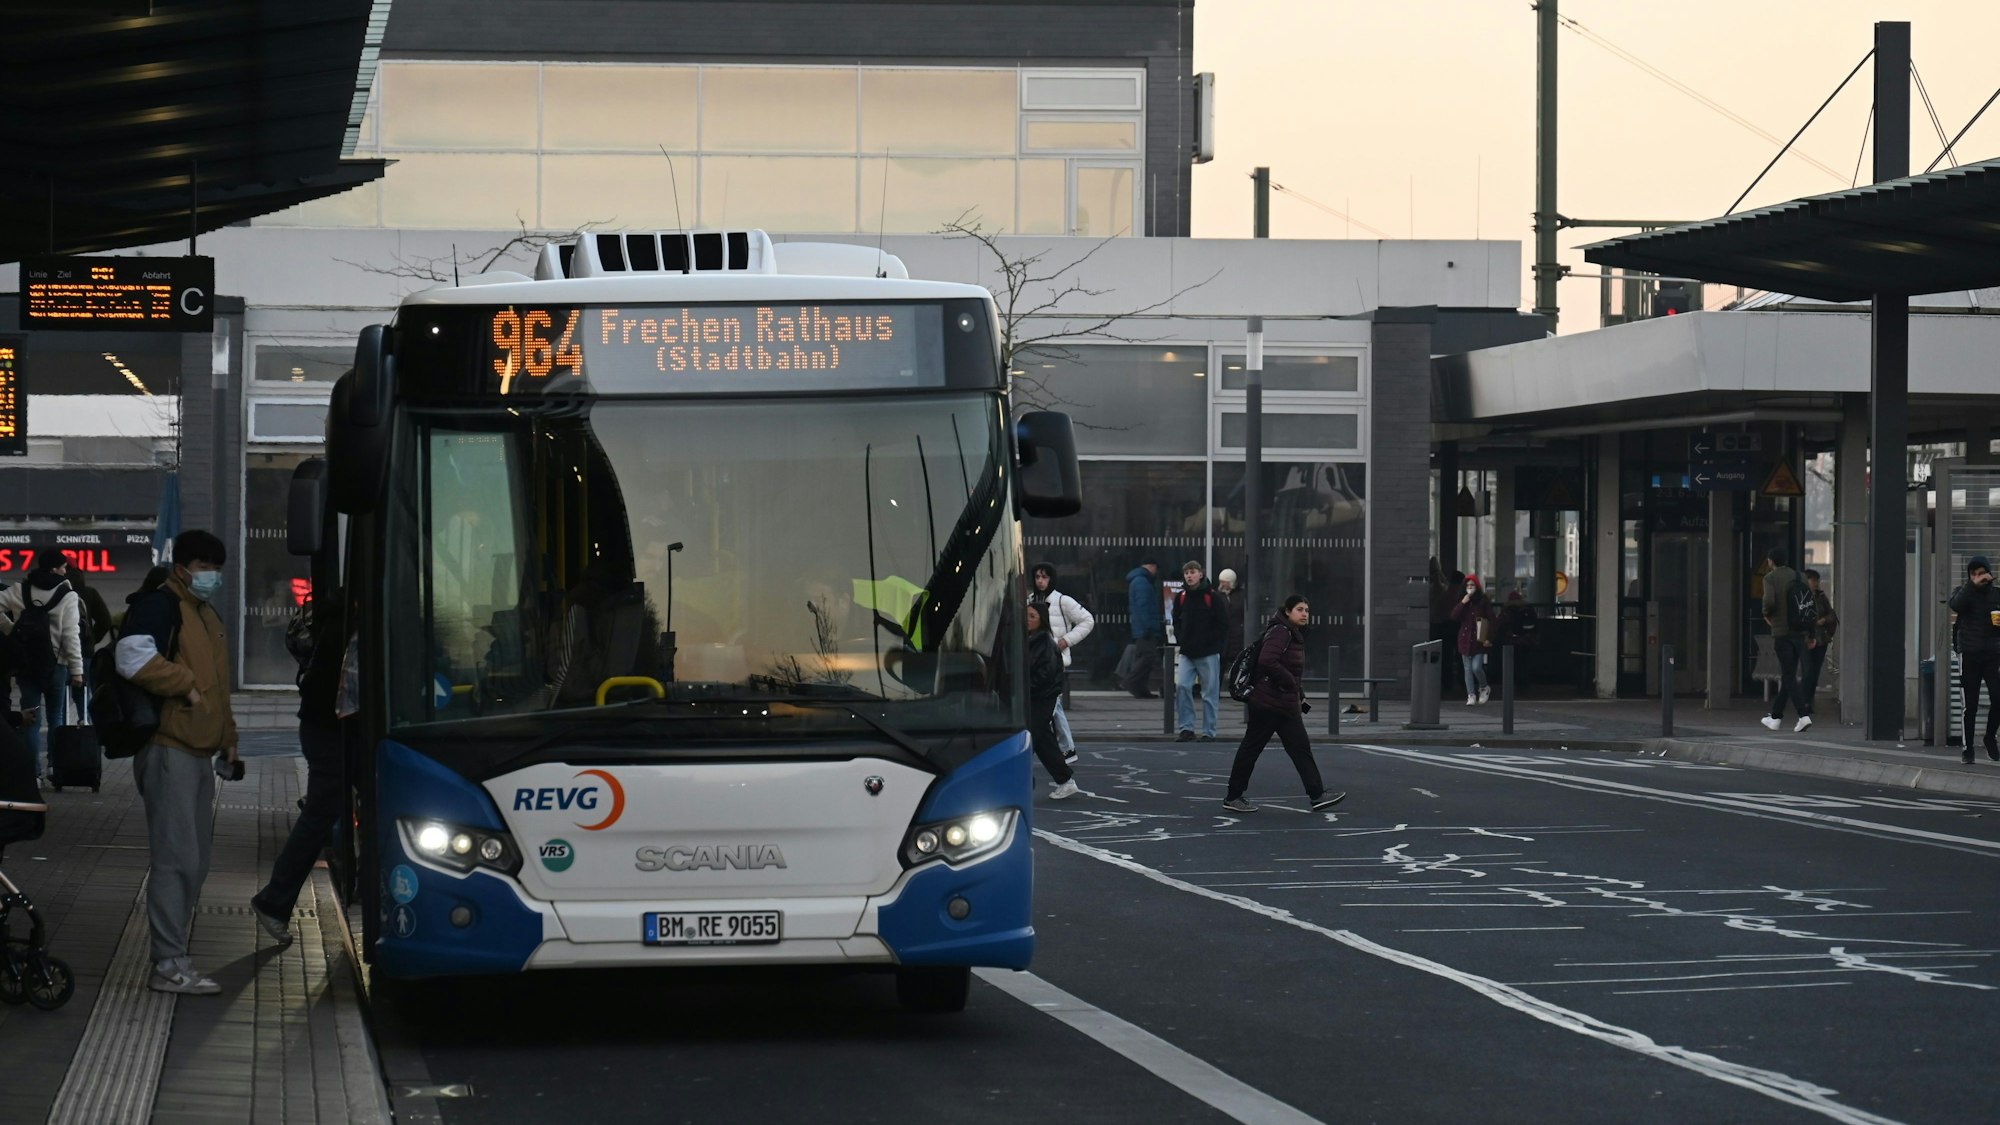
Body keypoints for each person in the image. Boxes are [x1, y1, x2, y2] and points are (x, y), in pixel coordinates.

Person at [116, 529, 239, 995]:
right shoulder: (161, 605)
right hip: (169, 747)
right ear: (184, 567)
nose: (214, 577)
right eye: (207, 568)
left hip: (198, 751)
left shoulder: (204, 613)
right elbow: (132, 657)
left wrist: (229, 738)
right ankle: (168, 963)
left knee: (196, 861)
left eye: (217, 569)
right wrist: (182, 683)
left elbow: (220, 686)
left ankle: (175, 956)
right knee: (176, 859)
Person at [251, 590, 346, 948]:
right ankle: (273, 901)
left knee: (322, 814)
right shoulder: (345, 628)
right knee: (319, 817)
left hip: (323, 729)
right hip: (330, 731)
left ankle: (274, 901)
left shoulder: (335, 618)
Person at [1221, 596, 1343, 813]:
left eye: (1306, 609)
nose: (1305, 613)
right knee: (1252, 748)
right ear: (1288, 611)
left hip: (1284, 703)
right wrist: (1288, 683)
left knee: (1299, 748)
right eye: (1299, 609)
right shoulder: (1281, 632)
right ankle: (1233, 796)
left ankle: (1317, 794)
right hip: (1268, 703)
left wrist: (1299, 692)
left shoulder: (1292, 634)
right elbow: (1267, 661)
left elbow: (1291, 670)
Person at [0, 556, 85, 783]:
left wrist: (12, 630)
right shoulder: (68, 596)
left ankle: (32, 773)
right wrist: (77, 670)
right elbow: (71, 635)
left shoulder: (21, 589)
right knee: (55, 716)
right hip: (56, 664)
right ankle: (54, 769)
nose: (66, 571)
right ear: (55, 568)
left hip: (26, 664)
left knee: (29, 717)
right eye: (65, 567)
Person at [1029, 563, 1093, 764]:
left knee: (1052, 706)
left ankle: (1066, 749)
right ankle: (1064, 749)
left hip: (1055, 660)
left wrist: (1065, 641)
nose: (1040, 580)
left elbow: (1087, 620)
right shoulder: (1030, 600)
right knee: (1051, 707)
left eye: (1045, 577)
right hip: (1038, 659)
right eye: (1038, 576)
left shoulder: (1062, 600)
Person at [1948, 555, 2000, 764]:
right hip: (1969, 654)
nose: (1978, 577)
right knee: (1970, 704)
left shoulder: (1997, 595)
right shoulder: (1963, 593)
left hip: (1993, 655)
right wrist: (1972, 585)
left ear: (1988, 573)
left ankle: (1989, 738)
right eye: (1973, 574)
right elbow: (1956, 605)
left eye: (1981, 573)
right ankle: (1968, 747)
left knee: (1998, 698)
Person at [1025, 601, 1077, 800]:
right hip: (1035, 696)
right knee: (1042, 740)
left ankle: (1016, 780)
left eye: (1032, 617)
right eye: (1026, 615)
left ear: (1042, 620)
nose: (1028, 620)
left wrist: (1026, 688)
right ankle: (1065, 781)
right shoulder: (1031, 639)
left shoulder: (1045, 642)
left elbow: (1044, 676)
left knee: (1030, 738)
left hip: (1042, 697)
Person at [1171, 561, 1228, 742]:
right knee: (1182, 686)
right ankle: (1186, 728)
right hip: (1187, 651)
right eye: (1187, 572)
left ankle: (1208, 731)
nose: (1189, 575)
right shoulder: (1181, 597)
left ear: (1200, 574)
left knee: (1209, 694)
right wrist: (1181, 639)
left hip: (1208, 652)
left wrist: (1215, 644)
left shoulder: (1213, 597)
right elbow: (1176, 620)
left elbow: (1223, 624)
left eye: (1193, 572)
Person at [1759, 546, 1812, 733]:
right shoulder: (1800, 577)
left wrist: (1767, 615)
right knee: (1788, 675)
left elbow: (1769, 603)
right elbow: (1808, 605)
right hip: (1800, 632)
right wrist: (1811, 633)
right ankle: (1775, 717)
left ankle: (1803, 715)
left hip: (1782, 632)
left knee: (1789, 675)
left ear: (1771, 561)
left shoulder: (1770, 578)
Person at [1118, 560, 1162, 697]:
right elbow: (1144, 607)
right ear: (1152, 566)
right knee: (1148, 657)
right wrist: (1148, 626)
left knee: (1142, 657)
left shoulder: (1138, 581)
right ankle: (1129, 681)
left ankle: (1141, 690)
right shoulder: (1142, 582)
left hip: (1141, 627)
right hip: (1145, 628)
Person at [1450, 574, 1496, 705]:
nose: (1470, 588)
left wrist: (1489, 638)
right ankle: (1471, 694)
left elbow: (1492, 620)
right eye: (1468, 586)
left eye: (1472, 585)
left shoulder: (1483, 601)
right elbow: (1453, 616)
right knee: (1467, 669)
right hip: (1465, 639)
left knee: (1476, 667)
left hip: (1479, 640)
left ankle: (1484, 687)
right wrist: (1462, 603)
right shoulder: (1463, 601)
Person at [1799, 569, 1839, 718]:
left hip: (1821, 639)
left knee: (1814, 672)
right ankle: (1803, 702)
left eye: (1817, 580)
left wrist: (1823, 620)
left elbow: (1831, 614)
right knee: (1808, 670)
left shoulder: (1821, 597)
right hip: (1805, 639)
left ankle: (1808, 702)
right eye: (1813, 580)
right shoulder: (1799, 597)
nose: (1816, 583)